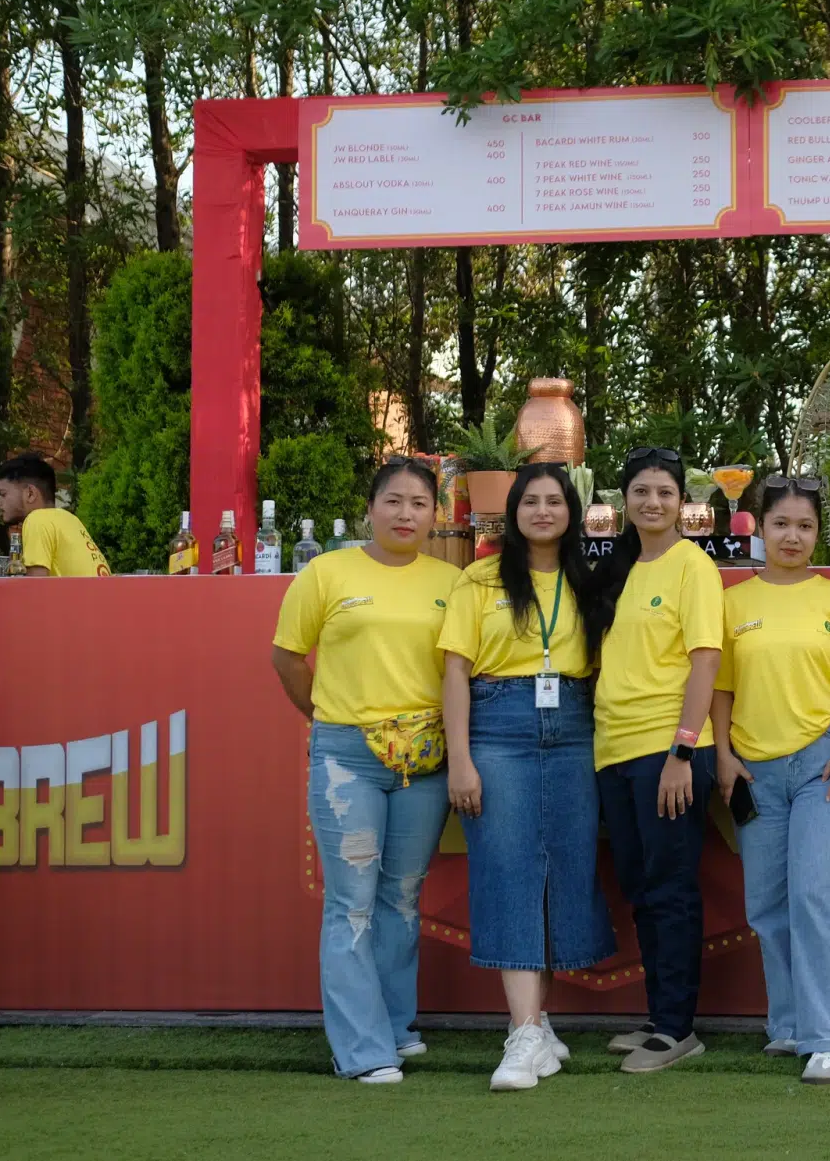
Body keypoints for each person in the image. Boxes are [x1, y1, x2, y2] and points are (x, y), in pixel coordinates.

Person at [270, 457, 461, 1084]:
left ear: (435, 516)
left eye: (419, 504)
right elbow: (287, 656)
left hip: (425, 762)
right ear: (370, 509)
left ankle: (396, 1025)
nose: (406, 514)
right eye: (393, 501)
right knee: (351, 903)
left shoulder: (452, 581)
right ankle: (359, 1049)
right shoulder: (326, 573)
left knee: (401, 898)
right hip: (347, 760)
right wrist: (329, 717)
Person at [439, 463, 614, 1091]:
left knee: (562, 872)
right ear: (512, 512)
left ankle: (537, 1023)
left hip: (575, 728)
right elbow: (454, 671)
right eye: (531, 501)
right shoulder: (480, 579)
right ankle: (524, 1034)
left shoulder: (587, 580)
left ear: (572, 512)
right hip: (497, 727)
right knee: (508, 870)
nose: (543, 511)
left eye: (555, 501)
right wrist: (460, 758)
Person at [712, 474, 830, 1085]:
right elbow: (721, 688)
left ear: (818, 533)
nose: (792, 536)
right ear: (759, 529)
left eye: (805, 526)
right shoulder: (733, 603)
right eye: (781, 524)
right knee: (767, 903)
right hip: (753, 769)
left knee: (815, 896)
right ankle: (790, 1023)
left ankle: (829, 1038)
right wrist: (722, 755)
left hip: (823, 761)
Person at [585, 447, 723, 1073]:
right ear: (624, 501)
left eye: (665, 492)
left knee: (670, 888)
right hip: (613, 748)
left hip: (667, 750)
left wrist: (682, 749)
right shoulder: (617, 568)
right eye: (641, 491)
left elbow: (706, 660)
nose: (652, 502)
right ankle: (658, 1014)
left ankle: (677, 1028)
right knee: (640, 887)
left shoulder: (693, 566)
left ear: (681, 502)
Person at [0, 454, 109, 577]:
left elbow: (34, 590)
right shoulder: (70, 519)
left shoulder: (37, 520)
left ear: (30, 493)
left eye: (3, 494)